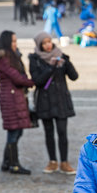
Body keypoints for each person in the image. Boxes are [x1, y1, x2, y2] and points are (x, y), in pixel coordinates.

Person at [29, 32, 78, 175]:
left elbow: (74, 77)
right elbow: (37, 81)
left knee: (63, 132)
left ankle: (64, 162)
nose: (48, 45)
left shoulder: (61, 55)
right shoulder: (35, 59)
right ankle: (52, 162)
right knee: (49, 133)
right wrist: (51, 67)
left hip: (61, 100)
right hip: (45, 101)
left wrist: (66, 62)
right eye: (44, 43)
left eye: (49, 41)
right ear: (39, 45)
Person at [0, 31, 34, 175]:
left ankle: (6, 162)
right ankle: (13, 164)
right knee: (14, 131)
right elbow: (17, 78)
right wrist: (33, 82)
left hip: (15, 97)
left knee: (16, 131)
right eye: (13, 41)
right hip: (11, 98)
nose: (16, 44)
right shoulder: (4, 59)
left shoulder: (12, 56)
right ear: (7, 42)